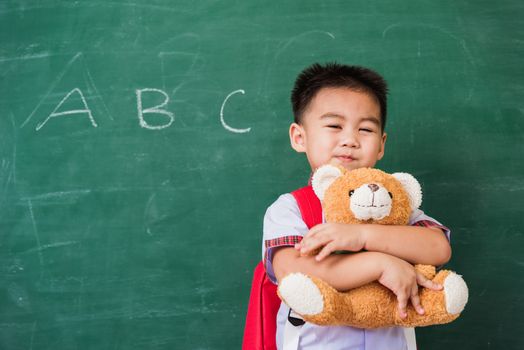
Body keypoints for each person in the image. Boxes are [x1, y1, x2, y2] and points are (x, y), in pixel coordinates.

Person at [262, 62, 452, 349]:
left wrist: (362, 236)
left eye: (365, 129)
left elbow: (438, 248)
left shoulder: (392, 207)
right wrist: (379, 264)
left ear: (381, 145)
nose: (350, 140)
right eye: (334, 126)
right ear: (299, 137)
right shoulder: (291, 208)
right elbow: (293, 273)